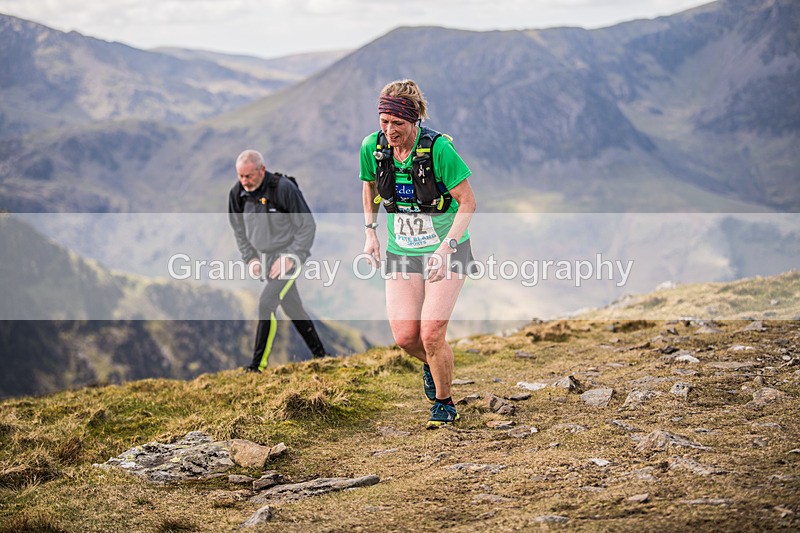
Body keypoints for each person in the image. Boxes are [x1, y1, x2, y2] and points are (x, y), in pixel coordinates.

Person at [359, 79, 477, 428]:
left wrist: (447, 247)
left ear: (414, 120)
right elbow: (368, 185)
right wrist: (370, 232)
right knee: (406, 337)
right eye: (384, 122)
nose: (390, 130)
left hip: (448, 250)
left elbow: (468, 202)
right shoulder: (372, 147)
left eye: (398, 123)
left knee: (431, 333)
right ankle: (433, 363)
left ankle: (444, 403)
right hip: (402, 251)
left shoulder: (439, 150)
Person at [228, 149, 328, 371]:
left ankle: (257, 366)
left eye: (249, 176)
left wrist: (291, 257)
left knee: (266, 304)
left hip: (290, 257)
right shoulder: (237, 194)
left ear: (262, 170)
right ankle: (322, 355)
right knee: (293, 308)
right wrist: (250, 258)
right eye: (240, 176)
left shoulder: (283, 188)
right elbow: (238, 231)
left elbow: (307, 226)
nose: (244, 181)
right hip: (265, 259)